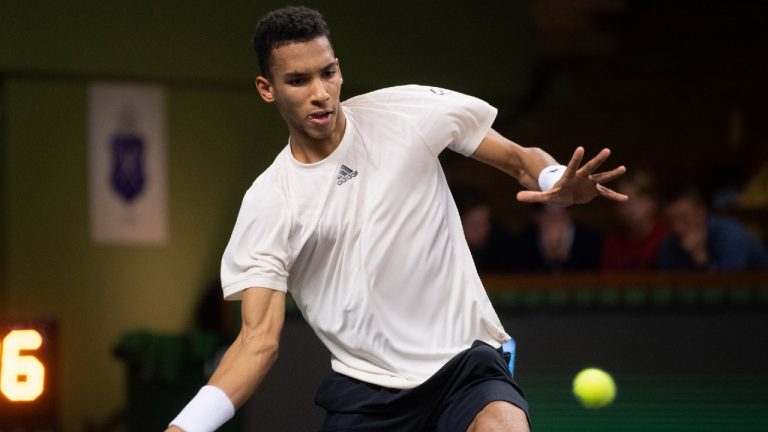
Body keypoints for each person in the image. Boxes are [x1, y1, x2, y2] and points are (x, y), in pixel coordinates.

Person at [166, 6, 627, 432]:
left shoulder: (405, 113)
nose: (321, 93)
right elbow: (256, 342)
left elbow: (517, 157)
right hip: (367, 394)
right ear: (267, 89)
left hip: (464, 364)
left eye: (328, 73)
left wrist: (553, 178)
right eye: (298, 81)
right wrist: (184, 428)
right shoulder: (270, 202)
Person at [658, 186, 768, 271]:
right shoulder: (670, 244)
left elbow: (728, 289)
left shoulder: (731, 234)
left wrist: (700, 256)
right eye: (671, 221)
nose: (677, 228)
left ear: (701, 213)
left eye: (684, 218)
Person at [601, 170, 668, 271]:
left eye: (637, 198)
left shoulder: (667, 239)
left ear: (653, 201)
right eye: (623, 201)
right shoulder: (613, 243)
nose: (629, 207)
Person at [513, 203, 602, 273]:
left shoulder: (588, 240)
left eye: (561, 216)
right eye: (549, 217)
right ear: (537, 218)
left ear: (569, 215)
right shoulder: (524, 242)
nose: (555, 223)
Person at [452, 185, 517, 273]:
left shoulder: (499, 249)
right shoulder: (445, 255)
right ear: (456, 225)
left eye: (486, 222)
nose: (485, 230)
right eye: (475, 226)